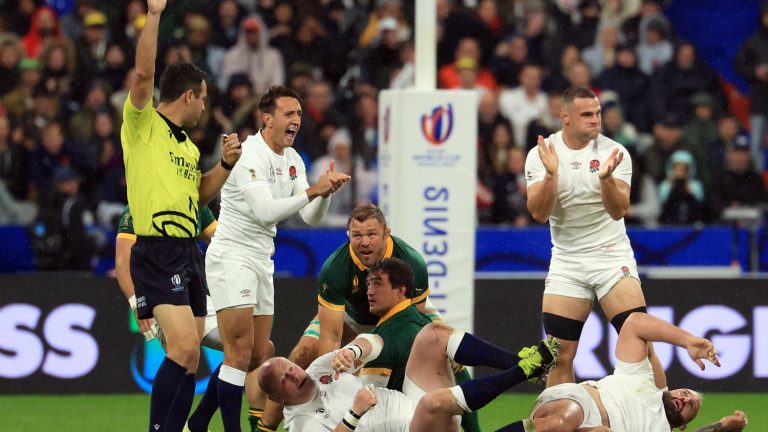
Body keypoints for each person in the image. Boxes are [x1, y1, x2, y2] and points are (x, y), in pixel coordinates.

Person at [193, 84, 350, 432]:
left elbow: (310, 217)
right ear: (267, 118)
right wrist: (314, 190)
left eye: (298, 114)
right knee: (238, 352)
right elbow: (265, 212)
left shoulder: (293, 160)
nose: (297, 120)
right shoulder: (250, 154)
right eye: (288, 114)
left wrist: (325, 193)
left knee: (257, 354)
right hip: (232, 255)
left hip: (262, 261)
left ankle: (199, 420)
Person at [120, 1, 242, 430]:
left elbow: (200, 196)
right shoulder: (142, 125)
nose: (204, 108)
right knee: (185, 350)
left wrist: (223, 167)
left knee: (191, 362)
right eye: (203, 100)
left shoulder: (188, 148)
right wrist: (154, 16)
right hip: (156, 249)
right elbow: (144, 75)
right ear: (188, 95)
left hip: (189, 251)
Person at [255, 204, 479, 432]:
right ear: (348, 236)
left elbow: (411, 324)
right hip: (351, 314)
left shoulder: (412, 260)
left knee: (449, 352)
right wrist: (334, 377)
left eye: (372, 234)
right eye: (357, 235)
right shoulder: (335, 268)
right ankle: (265, 427)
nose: (365, 242)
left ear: (386, 233)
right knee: (302, 353)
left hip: (400, 310)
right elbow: (331, 336)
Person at [525, 86, 647, 387]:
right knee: (559, 355)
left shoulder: (615, 152)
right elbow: (539, 213)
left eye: (598, 113)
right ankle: (561, 420)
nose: (596, 120)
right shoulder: (541, 154)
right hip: (568, 262)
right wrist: (552, 175)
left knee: (641, 344)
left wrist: (605, 179)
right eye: (587, 114)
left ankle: (663, 421)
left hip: (611, 257)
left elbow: (619, 210)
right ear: (565, 117)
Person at [114, 205, 275, 427]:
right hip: (162, 294)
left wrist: (251, 245)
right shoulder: (139, 205)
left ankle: (199, 420)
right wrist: (136, 302)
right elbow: (123, 260)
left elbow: (221, 239)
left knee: (259, 348)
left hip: (197, 293)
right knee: (185, 357)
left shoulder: (195, 201)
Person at [258, 324, 558, 432]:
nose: (294, 373)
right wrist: (354, 413)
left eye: (290, 367)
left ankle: (521, 360)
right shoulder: (299, 424)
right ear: (277, 398)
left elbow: (374, 342)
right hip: (413, 426)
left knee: (432, 335)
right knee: (432, 404)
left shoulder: (320, 369)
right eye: (285, 378)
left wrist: (352, 351)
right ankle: (521, 372)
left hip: (413, 408)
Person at [500, 312, 748, 432]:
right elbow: (635, 323)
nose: (685, 399)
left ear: (683, 427)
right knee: (561, 422)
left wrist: (722, 426)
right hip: (574, 405)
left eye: (690, 406)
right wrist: (688, 341)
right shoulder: (644, 380)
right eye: (685, 392)